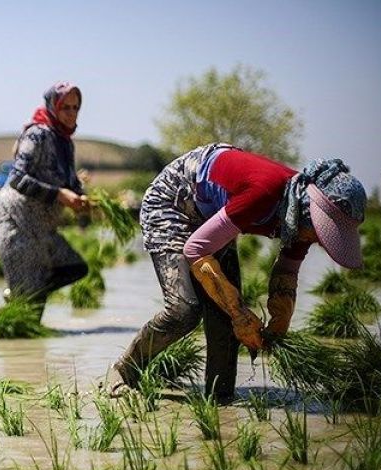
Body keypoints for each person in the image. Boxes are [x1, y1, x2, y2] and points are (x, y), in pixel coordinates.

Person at [111, 144, 367, 403]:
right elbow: (196, 249)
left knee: (223, 317)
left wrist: (278, 325)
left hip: (213, 215)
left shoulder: (300, 220)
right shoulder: (265, 193)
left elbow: (286, 273)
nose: (322, 242)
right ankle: (124, 372)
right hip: (173, 201)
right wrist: (240, 314)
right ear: (310, 212)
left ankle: (219, 400)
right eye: (324, 234)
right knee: (184, 310)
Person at [0, 81, 90, 319]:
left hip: (42, 229)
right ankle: (14, 322)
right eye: (65, 108)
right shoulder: (37, 135)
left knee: (75, 268)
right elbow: (18, 178)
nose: (71, 114)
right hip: (15, 224)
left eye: (75, 108)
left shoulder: (65, 142)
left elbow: (70, 183)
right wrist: (59, 194)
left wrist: (84, 200)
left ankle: (21, 298)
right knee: (29, 313)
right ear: (53, 106)